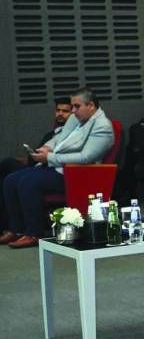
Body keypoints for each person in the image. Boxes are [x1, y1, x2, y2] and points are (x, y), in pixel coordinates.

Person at [1, 87, 114, 249]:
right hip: (57, 167)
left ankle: (34, 232)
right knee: (11, 180)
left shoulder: (102, 127)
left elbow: (86, 157)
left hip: (77, 174)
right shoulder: (77, 119)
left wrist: (49, 158)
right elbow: (59, 138)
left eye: (77, 106)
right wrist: (46, 148)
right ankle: (16, 229)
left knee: (28, 182)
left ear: (91, 106)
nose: (73, 111)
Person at [0, 97, 71, 184]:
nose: (60, 113)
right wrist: (29, 156)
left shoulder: (71, 133)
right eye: (58, 110)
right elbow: (36, 154)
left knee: (10, 169)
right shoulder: (50, 134)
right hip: (34, 166)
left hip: (48, 169)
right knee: (7, 164)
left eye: (65, 111)